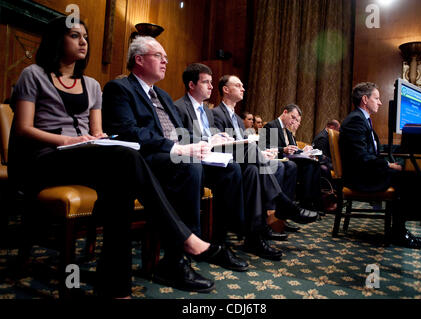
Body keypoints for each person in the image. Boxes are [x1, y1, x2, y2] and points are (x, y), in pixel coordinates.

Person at [7, 17, 225, 298]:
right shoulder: (33, 75)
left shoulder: (92, 85)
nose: (83, 41)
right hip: (46, 158)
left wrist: (93, 140)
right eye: (75, 35)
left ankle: (114, 285)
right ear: (56, 40)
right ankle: (182, 237)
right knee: (125, 159)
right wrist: (69, 140)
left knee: (120, 183)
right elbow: (24, 130)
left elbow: (98, 133)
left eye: (85, 36)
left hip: (82, 156)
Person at [101, 36, 251, 271]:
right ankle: (177, 259)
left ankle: (217, 242)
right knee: (189, 166)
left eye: (166, 58)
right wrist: (177, 148)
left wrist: (201, 144)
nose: (165, 62)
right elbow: (127, 131)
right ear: (139, 59)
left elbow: (179, 134)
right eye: (159, 56)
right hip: (146, 159)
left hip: (176, 153)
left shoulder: (162, 95)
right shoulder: (119, 88)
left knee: (229, 169)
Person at [174, 64, 292, 261]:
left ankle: (252, 234)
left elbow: (206, 137)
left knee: (253, 171)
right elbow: (183, 142)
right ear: (191, 85)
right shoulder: (181, 107)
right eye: (206, 82)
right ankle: (268, 211)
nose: (211, 87)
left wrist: (219, 138)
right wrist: (212, 141)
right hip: (195, 163)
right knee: (239, 163)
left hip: (214, 158)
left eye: (212, 82)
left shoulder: (204, 110)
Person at [212, 75, 318, 240]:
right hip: (227, 163)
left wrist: (261, 153)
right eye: (238, 85)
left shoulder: (239, 121)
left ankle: (258, 230)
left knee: (256, 169)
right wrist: (257, 151)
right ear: (226, 90)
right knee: (268, 165)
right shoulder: (215, 114)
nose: (243, 88)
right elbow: (220, 146)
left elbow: (243, 146)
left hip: (245, 162)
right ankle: (283, 204)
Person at [339, 82, 421, 249]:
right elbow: (361, 157)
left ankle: (400, 229)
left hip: (366, 171)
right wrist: (388, 165)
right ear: (365, 99)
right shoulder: (355, 120)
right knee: (407, 178)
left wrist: (387, 164)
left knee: (407, 175)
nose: (380, 102)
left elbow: (370, 153)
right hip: (359, 178)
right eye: (377, 98)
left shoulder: (362, 119)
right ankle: (399, 233)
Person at [261, 104, 323, 213]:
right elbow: (265, 147)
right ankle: (293, 207)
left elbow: (292, 149)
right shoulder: (271, 126)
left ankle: (311, 203)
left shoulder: (288, 131)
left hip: (289, 159)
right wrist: (283, 149)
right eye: (292, 117)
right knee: (294, 166)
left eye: (296, 119)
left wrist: (304, 151)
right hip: (278, 160)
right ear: (285, 112)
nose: (293, 121)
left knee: (314, 163)